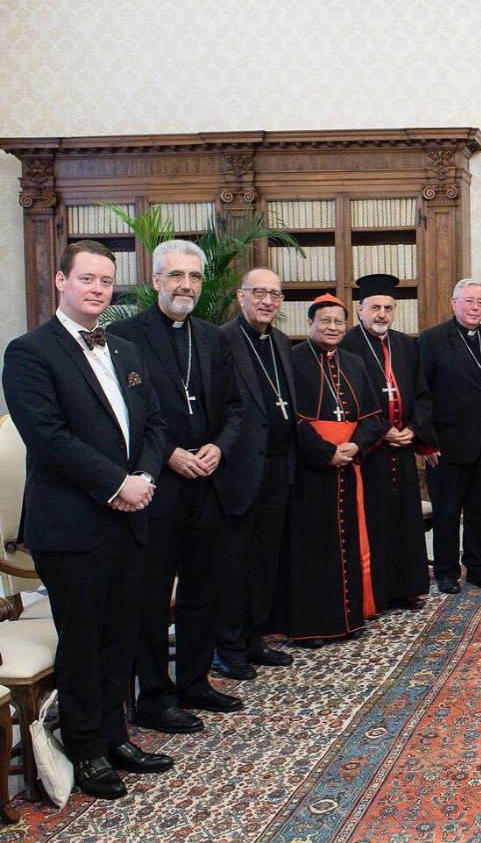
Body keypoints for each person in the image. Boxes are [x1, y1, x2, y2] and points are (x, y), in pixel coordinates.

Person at [2, 240, 171, 799]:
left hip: (131, 515)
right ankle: (85, 746)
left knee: (122, 633)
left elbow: (154, 425)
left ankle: (114, 734)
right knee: (83, 637)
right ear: (60, 281)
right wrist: (114, 485)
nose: (98, 289)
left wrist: (144, 478)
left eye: (106, 281)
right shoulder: (29, 352)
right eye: (87, 279)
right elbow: (48, 439)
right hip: (73, 525)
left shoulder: (125, 349)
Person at [108, 239, 244, 732]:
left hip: (206, 482)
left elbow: (233, 409)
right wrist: (169, 454)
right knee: (151, 592)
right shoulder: (124, 336)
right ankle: (154, 698)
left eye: (194, 277)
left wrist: (219, 448)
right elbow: (126, 413)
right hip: (155, 484)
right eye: (176, 276)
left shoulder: (211, 337)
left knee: (202, 587)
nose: (186, 285)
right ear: (156, 280)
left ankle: (194, 681)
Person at [282, 294, 384, 644]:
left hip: (349, 462)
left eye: (339, 321)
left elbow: (372, 416)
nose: (332, 327)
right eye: (324, 321)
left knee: (348, 543)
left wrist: (355, 446)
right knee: (313, 547)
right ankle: (312, 626)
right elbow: (291, 418)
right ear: (309, 324)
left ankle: (349, 619)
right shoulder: (292, 360)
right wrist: (326, 452)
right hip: (313, 469)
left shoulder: (354, 363)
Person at [211, 267, 297, 679]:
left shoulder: (281, 341)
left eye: (275, 295)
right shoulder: (222, 340)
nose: (267, 301)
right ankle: (227, 647)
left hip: (280, 466)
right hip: (240, 471)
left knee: (266, 559)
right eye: (259, 292)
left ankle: (253, 637)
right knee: (233, 563)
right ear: (241, 296)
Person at [413, 279, 481, 594]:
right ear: (453, 302)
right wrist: (426, 440)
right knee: (446, 511)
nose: (475, 308)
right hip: (447, 444)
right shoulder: (432, 340)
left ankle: (477, 567)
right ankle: (446, 571)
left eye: (480, 302)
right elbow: (421, 393)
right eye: (469, 301)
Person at [342, 273, 434, 610]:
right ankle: (376, 593)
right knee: (375, 520)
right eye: (375, 307)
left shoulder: (406, 344)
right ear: (360, 309)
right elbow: (349, 402)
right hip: (370, 453)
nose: (382, 314)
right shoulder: (348, 346)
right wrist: (382, 431)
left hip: (403, 447)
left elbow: (423, 394)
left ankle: (406, 588)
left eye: (388, 308)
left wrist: (413, 427)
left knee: (404, 519)